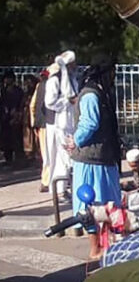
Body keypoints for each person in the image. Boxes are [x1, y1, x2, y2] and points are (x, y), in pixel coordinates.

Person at [65, 54, 121, 260]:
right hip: (91, 161)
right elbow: (89, 123)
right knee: (91, 204)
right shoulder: (91, 95)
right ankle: (95, 247)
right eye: (113, 73)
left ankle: (106, 243)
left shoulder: (99, 93)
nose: (115, 77)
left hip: (102, 158)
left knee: (106, 203)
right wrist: (76, 141)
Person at [45, 50, 79, 195]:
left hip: (73, 121)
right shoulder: (55, 80)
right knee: (65, 156)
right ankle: (63, 187)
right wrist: (67, 101)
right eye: (73, 63)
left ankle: (61, 188)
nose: (75, 66)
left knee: (64, 157)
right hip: (62, 122)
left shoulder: (73, 79)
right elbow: (49, 103)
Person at [29, 69, 52, 191]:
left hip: (41, 125)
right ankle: (47, 180)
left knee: (46, 153)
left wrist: (34, 123)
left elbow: (32, 105)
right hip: (51, 124)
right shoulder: (53, 85)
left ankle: (47, 179)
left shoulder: (39, 86)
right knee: (50, 153)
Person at [0, 71, 24, 166]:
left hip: (15, 116)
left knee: (16, 137)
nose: (6, 80)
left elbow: (20, 102)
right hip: (4, 117)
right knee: (6, 138)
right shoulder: (3, 90)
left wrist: (16, 110)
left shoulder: (18, 90)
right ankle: (8, 157)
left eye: (7, 78)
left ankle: (18, 158)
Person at [22, 75, 39, 161]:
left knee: (35, 135)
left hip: (34, 116)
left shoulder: (36, 92)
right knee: (28, 134)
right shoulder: (26, 93)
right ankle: (29, 153)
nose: (28, 84)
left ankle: (36, 153)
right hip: (27, 116)